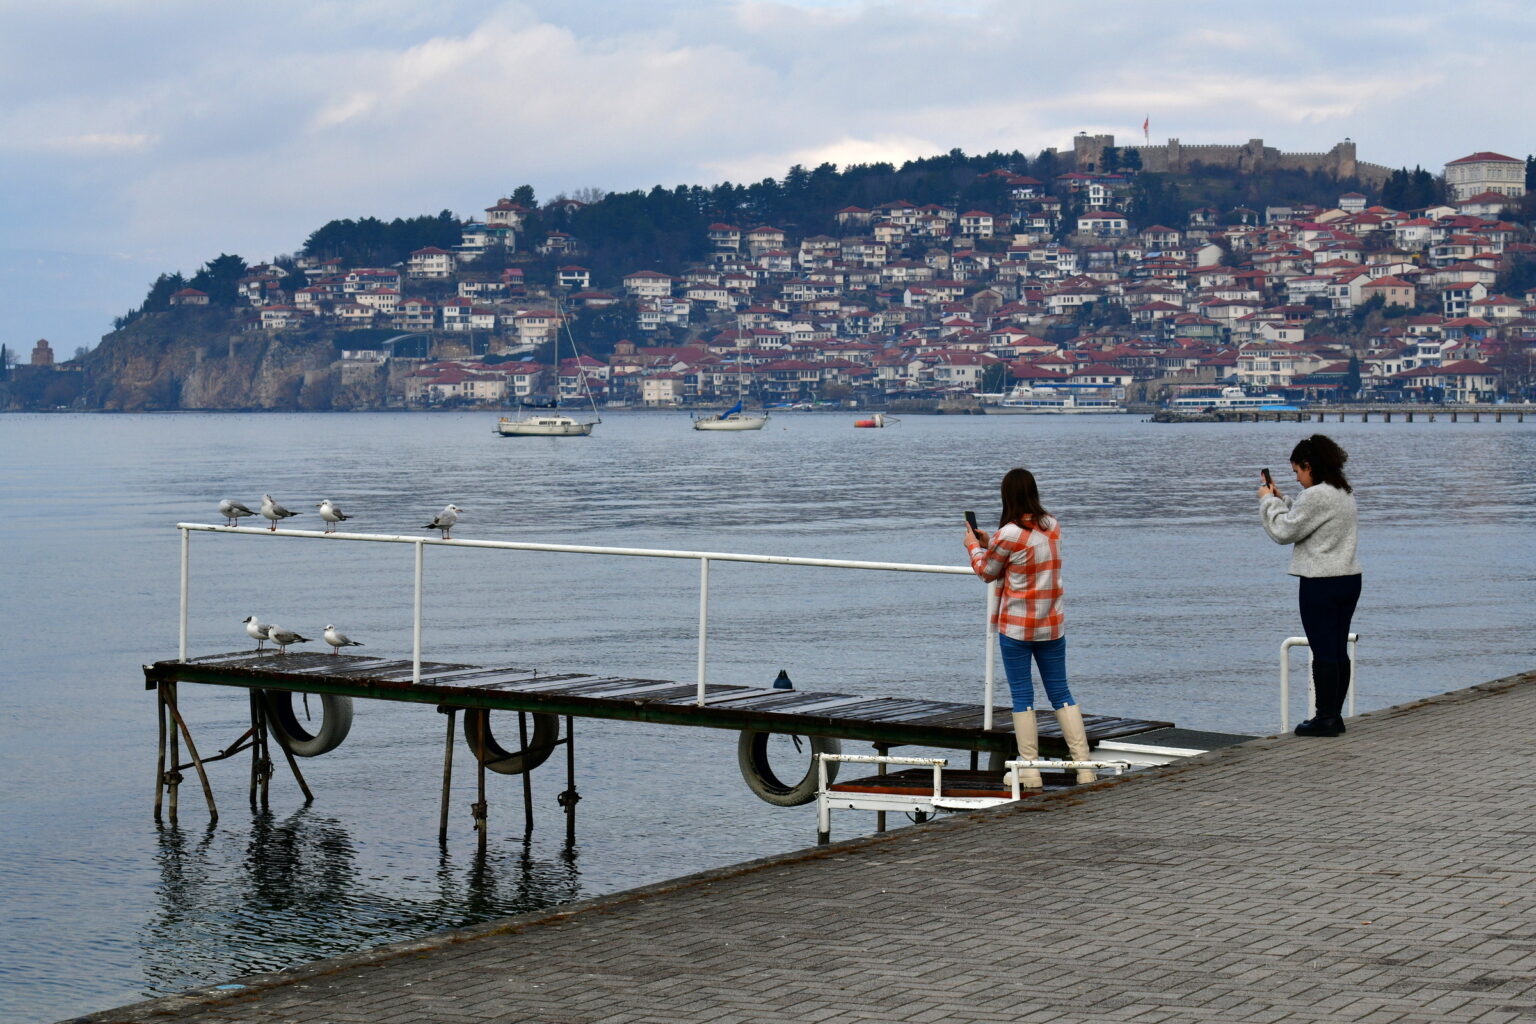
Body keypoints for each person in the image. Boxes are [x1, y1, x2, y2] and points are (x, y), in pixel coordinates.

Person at [964, 467, 1095, 788]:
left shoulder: (1008, 534)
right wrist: (991, 541)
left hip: (1017, 629)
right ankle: (1084, 767)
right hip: (1051, 625)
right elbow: (1024, 550)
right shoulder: (1052, 525)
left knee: (1023, 695)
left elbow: (987, 571)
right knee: (1061, 692)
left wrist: (974, 546)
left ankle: (1030, 770)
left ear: (1007, 496)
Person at [1259, 434, 1362, 737]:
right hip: (1348, 579)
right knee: (1337, 648)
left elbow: (1284, 530)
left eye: (1297, 471)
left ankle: (1324, 718)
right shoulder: (1342, 491)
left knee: (1323, 649)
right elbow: (1308, 520)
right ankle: (1334, 715)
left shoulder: (1316, 495)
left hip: (1320, 582)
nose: (1297, 478)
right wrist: (1283, 500)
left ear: (1309, 465)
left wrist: (1267, 502)